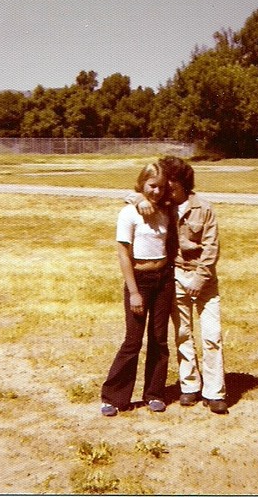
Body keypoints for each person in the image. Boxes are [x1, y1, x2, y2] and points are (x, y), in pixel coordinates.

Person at [134, 156, 228, 414]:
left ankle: (215, 391)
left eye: (169, 182)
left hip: (204, 280)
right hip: (174, 278)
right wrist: (139, 200)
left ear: (181, 182)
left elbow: (211, 248)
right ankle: (190, 386)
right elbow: (133, 198)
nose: (164, 187)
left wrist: (200, 278)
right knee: (182, 334)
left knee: (211, 336)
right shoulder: (162, 206)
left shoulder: (204, 208)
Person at [100, 162, 175, 417]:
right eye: (151, 186)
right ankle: (113, 397)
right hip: (139, 280)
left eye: (161, 187)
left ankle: (154, 393)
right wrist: (133, 292)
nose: (156, 192)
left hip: (163, 279)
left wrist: (143, 197)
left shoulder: (167, 209)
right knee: (133, 341)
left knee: (159, 339)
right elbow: (123, 254)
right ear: (142, 183)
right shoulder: (129, 213)